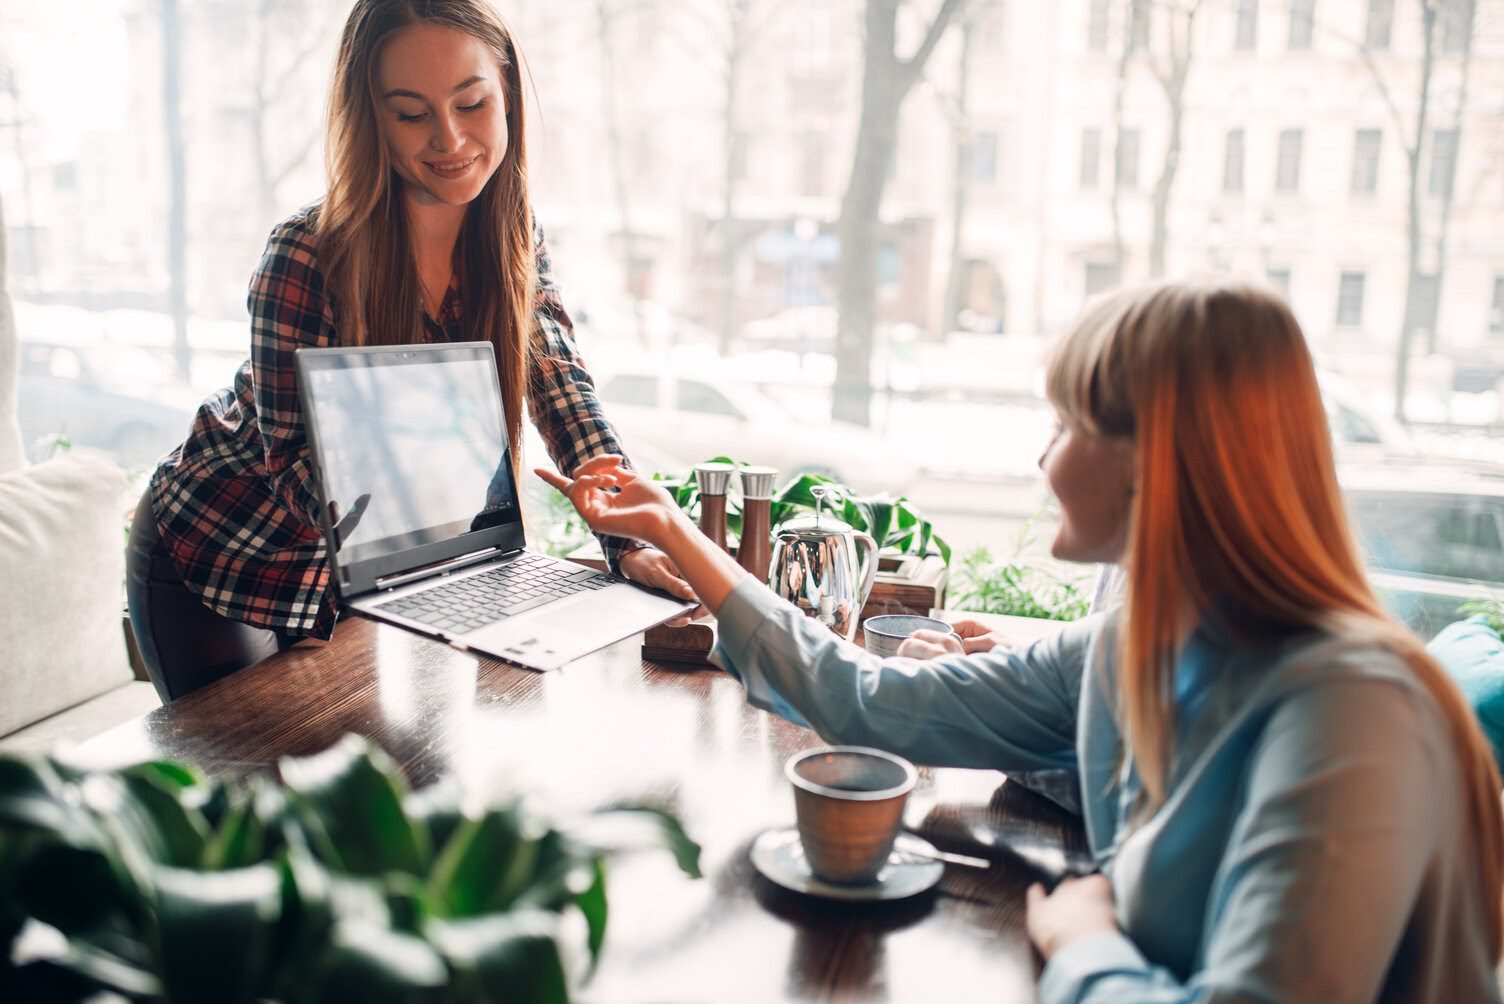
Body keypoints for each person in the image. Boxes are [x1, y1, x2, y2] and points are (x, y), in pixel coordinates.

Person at [539, 279, 1504, 1002]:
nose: (1041, 456)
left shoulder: (1353, 715)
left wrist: (1086, 944)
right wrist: (676, 532)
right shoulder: (1137, 642)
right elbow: (866, 699)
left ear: (1155, 462)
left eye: (1066, 420)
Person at [128, 0, 693, 703]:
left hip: (353, 573)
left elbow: (561, 388)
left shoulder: (512, 236)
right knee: (254, 788)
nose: (450, 137)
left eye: (471, 101)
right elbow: (297, 473)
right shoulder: (306, 252)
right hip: (223, 549)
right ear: (372, 118)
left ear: (507, 93)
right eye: (411, 113)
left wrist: (631, 540)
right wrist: (435, 541)